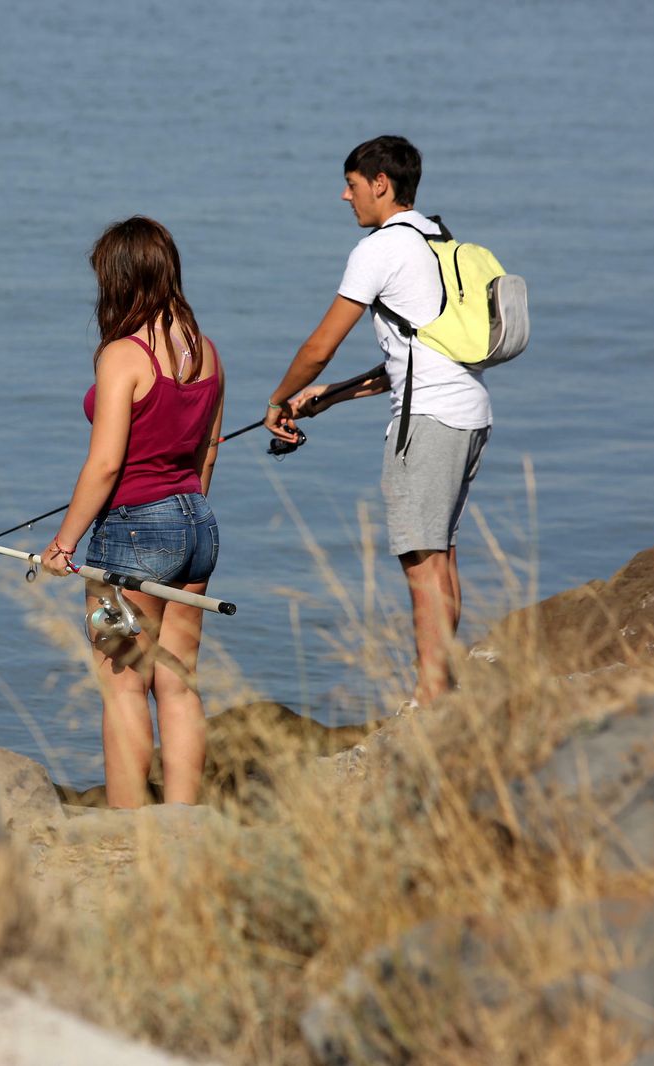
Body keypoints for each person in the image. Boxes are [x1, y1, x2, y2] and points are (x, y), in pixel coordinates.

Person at [263, 135, 491, 707]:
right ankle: (443, 687)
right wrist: (332, 397)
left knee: (420, 561)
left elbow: (320, 346)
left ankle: (431, 698)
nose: (345, 196)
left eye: (352, 184)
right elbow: (411, 356)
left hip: (427, 420)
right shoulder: (434, 236)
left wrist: (278, 398)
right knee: (439, 553)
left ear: (380, 184)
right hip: (468, 413)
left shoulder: (379, 248)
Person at [41, 216, 226, 808]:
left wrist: (63, 545)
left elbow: (104, 466)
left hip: (133, 534)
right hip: (197, 527)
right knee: (178, 683)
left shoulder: (124, 355)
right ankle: (183, 820)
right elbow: (207, 452)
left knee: (122, 685)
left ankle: (127, 831)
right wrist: (182, 510)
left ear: (120, 279)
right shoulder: (206, 353)